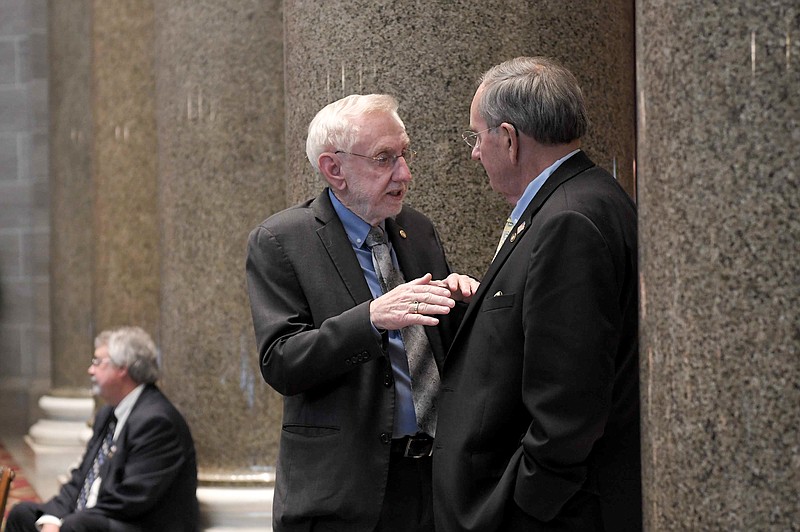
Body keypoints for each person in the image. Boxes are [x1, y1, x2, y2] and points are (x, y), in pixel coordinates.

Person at [246, 93, 477, 532]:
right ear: (334, 169)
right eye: (384, 159)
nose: (404, 174)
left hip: (433, 483)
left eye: (404, 154)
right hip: (343, 494)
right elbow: (281, 361)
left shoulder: (418, 230)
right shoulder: (282, 241)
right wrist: (370, 319)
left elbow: (439, 351)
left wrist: (464, 304)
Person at [433, 56, 641, 531]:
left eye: (476, 135)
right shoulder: (584, 197)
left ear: (508, 139)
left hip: (556, 514)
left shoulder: (569, 218)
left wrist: (524, 505)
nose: (473, 152)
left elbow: (570, 399)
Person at [7, 326, 199, 532]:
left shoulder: (156, 421)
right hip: (99, 517)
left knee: (77, 526)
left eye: (98, 362)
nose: (91, 370)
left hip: (141, 524)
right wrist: (53, 517)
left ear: (122, 368)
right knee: (23, 515)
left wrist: (70, 520)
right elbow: (82, 477)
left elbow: (132, 498)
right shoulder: (108, 413)